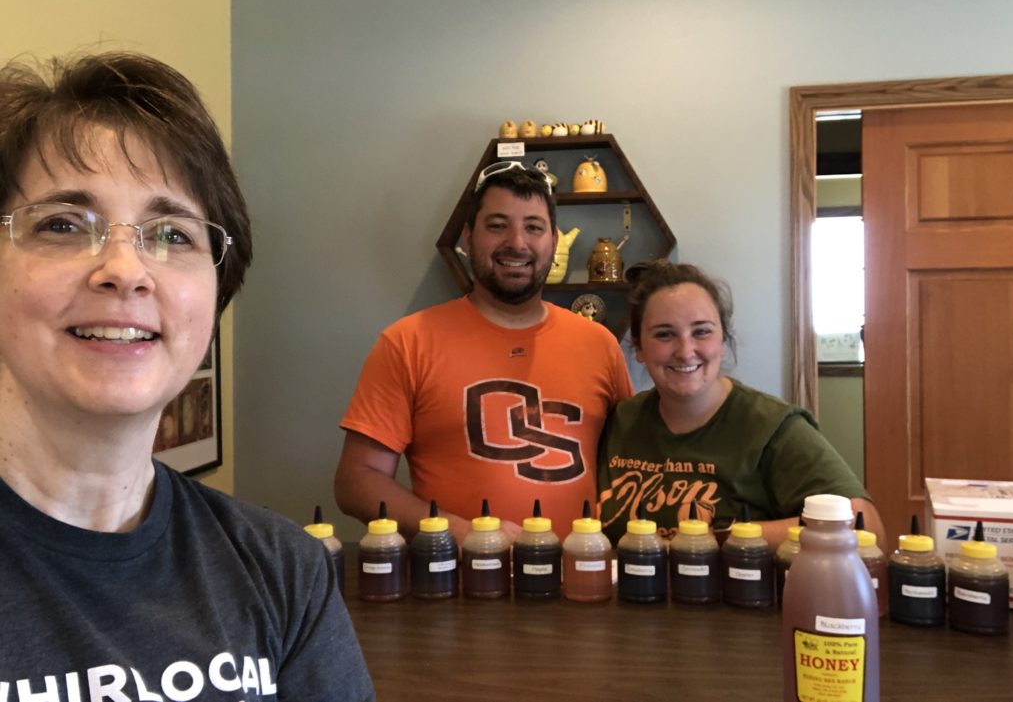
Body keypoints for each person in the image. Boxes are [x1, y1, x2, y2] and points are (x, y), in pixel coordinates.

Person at [0, 51, 374, 698]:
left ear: (216, 293)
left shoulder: (284, 570)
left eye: (171, 233)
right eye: (63, 224)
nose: (125, 268)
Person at [336, 161, 633, 542]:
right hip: (457, 585)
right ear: (467, 238)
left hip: (581, 581)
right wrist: (459, 534)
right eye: (497, 225)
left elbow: (631, 468)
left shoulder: (600, 345)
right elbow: (357, 481)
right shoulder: (407, 343)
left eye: (534, 227)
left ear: (554, 243)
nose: (517, 243)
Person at [597, 260, 885, 549]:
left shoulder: (773, 427)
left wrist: (721, 537)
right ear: (638, 347)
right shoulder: (621, 420)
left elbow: (865, 528)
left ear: (723, 340)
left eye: (701, 332)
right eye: (664, 334)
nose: (685, 351)